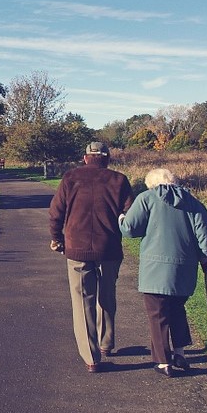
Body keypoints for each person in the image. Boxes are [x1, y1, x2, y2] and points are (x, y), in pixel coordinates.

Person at [118, 168, 207, 378]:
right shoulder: (193, 202)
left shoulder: (146, 198)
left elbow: (130, 229)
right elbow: (206, 236)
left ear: (152, 184)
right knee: (177, 309)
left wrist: (121, 219)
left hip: (155, 270)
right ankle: (180, 353)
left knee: (158, 314)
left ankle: (163, 361)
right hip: (184, 269)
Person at [49, 141, 134, 373]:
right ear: (107, 158)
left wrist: (56, 238)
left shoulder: (70, 178)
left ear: (85, 158)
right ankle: (106, 343)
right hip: (109, 249)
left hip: (77, 248)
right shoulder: (119, 180)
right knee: (107, 295)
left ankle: (91, 357)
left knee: (82, 302)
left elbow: (56, 211)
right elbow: (130, 213)